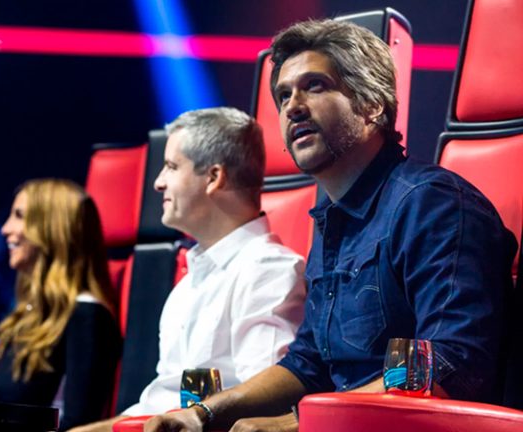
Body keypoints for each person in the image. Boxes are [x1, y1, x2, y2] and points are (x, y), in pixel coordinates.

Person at [144, 19, 518, 432]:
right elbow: (307, 364)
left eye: (315, 86)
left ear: (372, 105)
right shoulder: (330, 222)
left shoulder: (433, 204)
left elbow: (452, 365)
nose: (292, 107)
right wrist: (205, 413)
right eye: (284, 95)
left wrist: (292, 425)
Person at [70, 107, 306, 432]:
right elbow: (157, 407)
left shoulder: (268, 270)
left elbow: (263, 411)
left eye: (171, 167)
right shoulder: (189, 282)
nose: (158, 182)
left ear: (214, 177)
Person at [0, 179, 122, 432]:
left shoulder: (87, 315)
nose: (6, 229)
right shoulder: (29, 313)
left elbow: (79, 424)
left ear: (53, 230)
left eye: (19, 216)